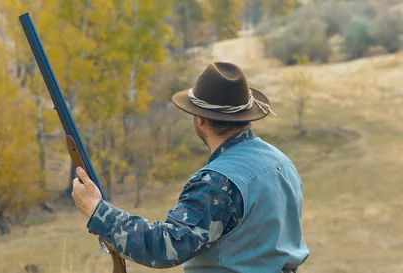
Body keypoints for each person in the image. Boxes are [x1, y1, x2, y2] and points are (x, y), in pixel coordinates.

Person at [71, 62, 309, 272]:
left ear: (200, 119)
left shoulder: (217, 181)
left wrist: (98, 211)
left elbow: (166, 247)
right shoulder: (282, 162)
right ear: (246, 116)